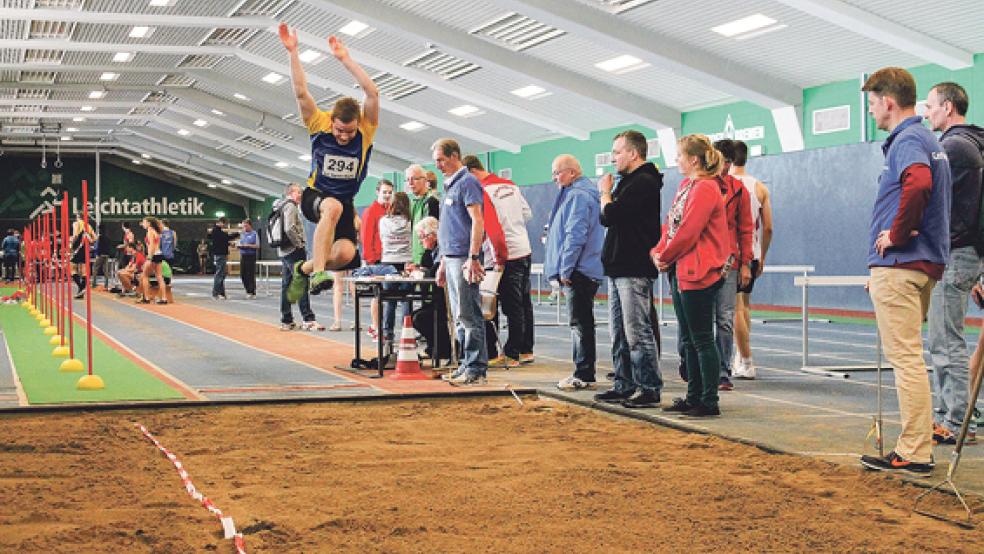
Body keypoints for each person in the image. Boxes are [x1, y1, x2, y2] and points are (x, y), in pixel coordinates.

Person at [859, 67, 952, 477]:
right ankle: (916, 446)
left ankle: (914, 451)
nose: (872, 110)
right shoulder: (927, 138)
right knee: (913, 358)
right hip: (916, 263)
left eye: (872, 102)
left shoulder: (908, 139)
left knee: (907, 360)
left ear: (888, 102)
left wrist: (894, 238)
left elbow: (917, 184)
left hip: (902, 263)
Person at [279, 23, 379, 299]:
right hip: (317, 196)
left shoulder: (366, 130)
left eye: (349, 132)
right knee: (331, 207)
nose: (344, 137)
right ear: (331, 122)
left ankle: (304, 269)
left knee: (345, 254)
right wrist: (293, 52)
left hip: (344, 203)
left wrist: (345, 60)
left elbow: (372, 94)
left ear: (357, 124)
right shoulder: (318, 123)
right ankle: (318, 274)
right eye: (338, 131)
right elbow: (301, 92)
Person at [924, 81, 984, 446]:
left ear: (948, 108)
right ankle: (962, 416)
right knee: (951, 340)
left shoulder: (951, 148)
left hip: (955, 252)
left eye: (930, 106)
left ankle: (957, 421)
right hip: (972, 252)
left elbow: (934, 205)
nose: (926, 112)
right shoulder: (975, 143)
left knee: (946, 343)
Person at [654, 135, 730, 418]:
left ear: (694, 159)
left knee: (701, 338)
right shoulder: (687, 186)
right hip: (681, 268)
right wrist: (659, 251)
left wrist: (665, 255)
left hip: (699, 271)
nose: (676, 161)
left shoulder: (706, 188)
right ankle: (694, 394)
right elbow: (671, 225)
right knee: (688, 338)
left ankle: (709, 400)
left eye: (679, 156)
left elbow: (689, 230)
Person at [593, 130, 663, 409]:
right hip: (617, 266)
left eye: (617, 153)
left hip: (633, 267)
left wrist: (605, 193)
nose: (613, 159)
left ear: (633, 153)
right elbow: (606, 216)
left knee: (637, 332)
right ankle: (624, 383)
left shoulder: (644, 182)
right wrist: (608, 198)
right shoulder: (627, 182)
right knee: (619, 333)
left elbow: (611, 214)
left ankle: (649, 387)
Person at [464, 155, 536, 366]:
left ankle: (508, 354)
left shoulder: (481, 190)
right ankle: (525, 350)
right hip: (523, 248)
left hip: (501, 253)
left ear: (472, 172)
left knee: (498, 304)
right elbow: (527, 214)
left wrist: (499, 258)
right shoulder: (510, 185)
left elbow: (492, 229)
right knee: (523, 303)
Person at [545, 155, 605, 391]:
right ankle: (583, 371)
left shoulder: (578, 196)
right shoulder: (576, 194)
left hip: (579, 269)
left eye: (557, 173)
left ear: (571, 172)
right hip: (582, 267)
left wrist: (565, 268)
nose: (554, 178)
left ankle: (584, 373)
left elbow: (575, 234)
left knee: (579, 324)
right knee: (581, 323)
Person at [433, 138, 488, 385]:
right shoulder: (450, 185)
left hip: (464, 258)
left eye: (441, 160)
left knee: (468, 314)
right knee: (458, 316)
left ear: (455, 156)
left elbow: (478, 221)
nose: (438, 166)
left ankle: (476, 368)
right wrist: (443, 262)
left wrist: (473, 257)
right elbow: (451, 227)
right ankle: (466, 363)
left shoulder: (468, 182)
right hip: (452, 257)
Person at [710, 139, 754, 391]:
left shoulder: (739, 190)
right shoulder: (698, 185)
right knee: (701, 320)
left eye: (727, 161)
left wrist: (746, 263)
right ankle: (696, 365)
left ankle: (722, 371)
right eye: (719, 160)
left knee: (725, 318)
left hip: (730, 262)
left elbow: (746, 229)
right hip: (703, 263)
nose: (724, 166)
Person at [731, 140, 774, 380]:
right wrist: (763, 256)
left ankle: (746, 360)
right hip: (754, 253)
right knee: (744, 305)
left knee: (735, 309)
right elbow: (768, 228)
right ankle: (741, 355)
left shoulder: (725, 185)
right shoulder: (759, 187)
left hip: (735, 255)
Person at [360, 191, 413, 343]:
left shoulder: (383, 221)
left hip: (387, 262)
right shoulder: (410, 221)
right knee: (406, 300)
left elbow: (382, 238)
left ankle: (387, 333)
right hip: (405, 264)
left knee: (389, 300)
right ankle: (407, 334)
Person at [275, 183, 323, 331]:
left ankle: (286, 319)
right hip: (293, 251)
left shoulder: (280, 206)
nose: (301, 194)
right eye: (299, 192)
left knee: (287, 285)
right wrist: (299, 244)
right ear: (291, 193)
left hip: (284, 251)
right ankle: (308, 318)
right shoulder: (290, 206)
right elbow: (289, 227)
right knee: (302, 282)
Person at [411, 217, 451, 363]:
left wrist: (422, 271)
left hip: (447, 299)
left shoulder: (443, 250)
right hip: (437, 297)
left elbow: (433, 273)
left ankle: (442, 348)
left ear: (432, 235)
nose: (421, 242)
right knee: (414, 315)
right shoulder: (431, 252)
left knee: (421, 318)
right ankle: (435, 347)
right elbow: (425, 267)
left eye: (422, 238)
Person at [406, 164, 441, 265]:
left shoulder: (432, 202)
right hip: (415, 259)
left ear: (425, 180)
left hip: (428, 260)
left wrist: (425, 262)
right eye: (408, 180)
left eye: (414, 179)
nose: (410, 183)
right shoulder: (413, 203)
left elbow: (432, 237)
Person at [360, 179, 393, 267]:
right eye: (384, 192)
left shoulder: (392, 210)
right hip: (376, 260)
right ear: (377, 192)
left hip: (391, 257)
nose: (387, 195)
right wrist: (370, 261)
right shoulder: (370, 211)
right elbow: (366, 238)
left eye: (390, 192)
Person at [209, 217, 239, 300]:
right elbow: (226, 237)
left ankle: (222, 293)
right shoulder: (216, 231)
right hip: (220, 254)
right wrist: (237, 234)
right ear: (220, 222)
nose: (224, 225)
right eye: (224, 223)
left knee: (222, 274)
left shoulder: (216, 231)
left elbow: (223, 241)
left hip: (220, 254)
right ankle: (215, 293)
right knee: (219, 274)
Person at [138, 216, 165, 304]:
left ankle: (146, 297)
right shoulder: (156, 232)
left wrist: (149, 257)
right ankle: (164, 298)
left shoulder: (150, 232)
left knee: (144, 276)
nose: (143, 224)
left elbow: (152, 245)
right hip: (159, 254)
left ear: (149, 223)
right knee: (159, 277)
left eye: (144, 222)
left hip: (153, 255)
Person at [69, 214, 95, 300]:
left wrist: (71, 244)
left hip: (78, 248)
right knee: (84, 271)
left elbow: (75, 235)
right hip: (86, 248)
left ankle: (81, 287)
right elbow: (94, 238)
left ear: (78, 217)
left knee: (72, 268)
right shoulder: (89, 226)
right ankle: (81, 290)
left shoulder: (76, 224)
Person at [238, 219, 259, 299]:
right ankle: (247, 290)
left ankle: (252, 292)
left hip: (251, 256)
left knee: (250, 274)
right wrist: (238, 246)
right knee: (243, 275)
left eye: (246, 226)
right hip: (243, 255)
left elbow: (257, 246)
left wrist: (249, 245)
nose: (245, 227)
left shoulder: (254, 234)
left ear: (250, 225)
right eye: (243, 226)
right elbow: (240, 243)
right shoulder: (242, 234)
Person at [92, 222, 114, 289]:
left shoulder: (100, 237)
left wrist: (98, 254)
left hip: (101, 255)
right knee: (105, 270)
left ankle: (94, 283)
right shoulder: (107, 237)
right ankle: (106, 285)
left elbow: (99, 247)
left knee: (95, 267)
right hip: (106, 255)